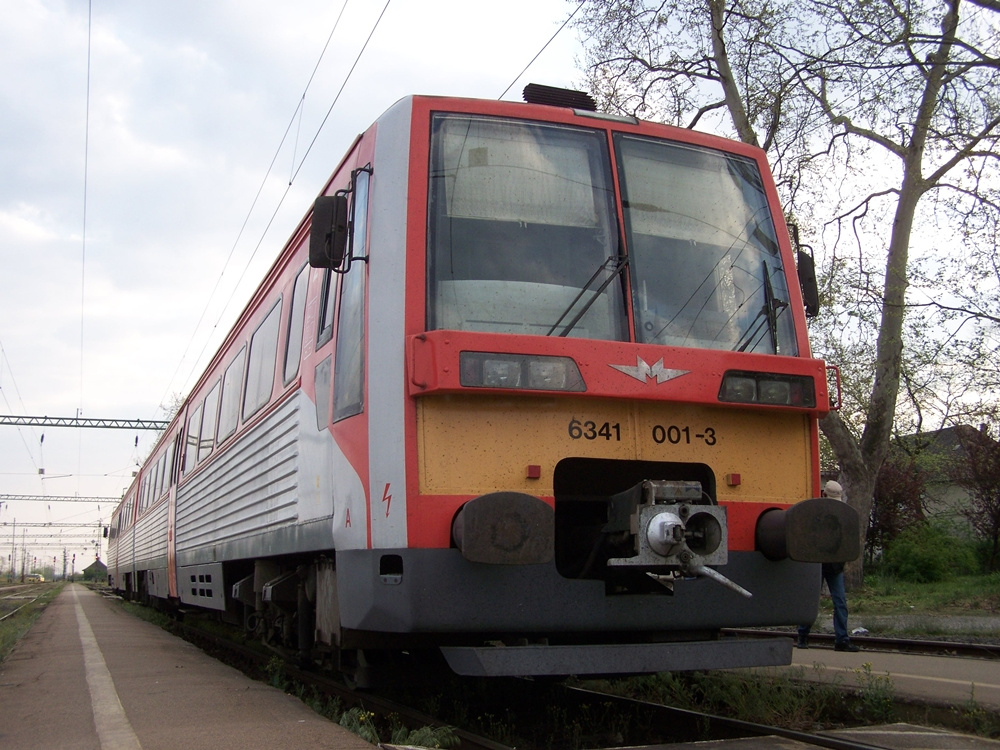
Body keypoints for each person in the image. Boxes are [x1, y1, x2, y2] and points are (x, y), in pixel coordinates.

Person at [797, 480, 860, 652]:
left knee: (833, 602)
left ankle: (835, 639)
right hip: (826, 564)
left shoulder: (819, 513)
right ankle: (808, 635)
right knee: (836, 602)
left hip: (826, 564)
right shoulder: (827, 514)